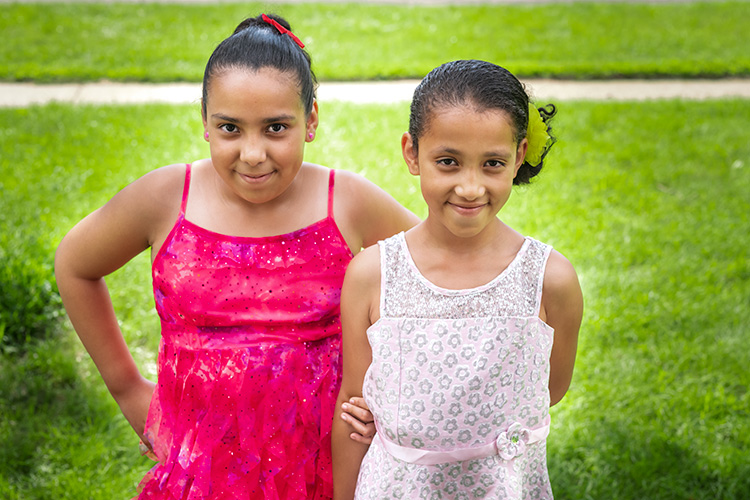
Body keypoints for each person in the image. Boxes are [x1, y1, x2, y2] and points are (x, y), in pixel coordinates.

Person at [54, 13, 418, 500]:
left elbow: (438, 270)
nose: (252, 153)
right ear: (205, 122)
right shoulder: (166, 198)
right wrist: (127, 387)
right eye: (230, 128)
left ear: (311, 120)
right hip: (200, 466)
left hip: (323, 465)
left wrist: (392, 392)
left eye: (275, 128)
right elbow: (76, 265)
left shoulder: (348, 204)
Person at [332, 59, 583, 499]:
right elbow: (355, 411)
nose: (470, 187)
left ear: (519, 155)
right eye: (448, 162)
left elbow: (550, 388)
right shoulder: (373, 276)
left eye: (492, 163)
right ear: (412, 153)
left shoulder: (549, 280)